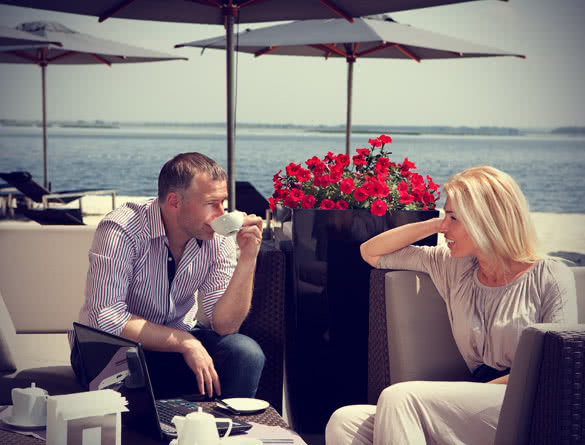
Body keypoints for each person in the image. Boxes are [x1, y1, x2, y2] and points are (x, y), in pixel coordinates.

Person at [325, 166, 577, 445]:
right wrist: (437, 221)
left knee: (400, 398)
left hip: (528, 401)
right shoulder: (452, 266)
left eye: (455, 218)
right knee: (345, 422)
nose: (445, 228)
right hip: (474, 400)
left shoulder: (549, 275)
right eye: (446, 216)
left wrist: (460, 396)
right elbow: (370, 252)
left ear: (487, 220)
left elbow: (558, 364)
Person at [70, 152, 265, 400]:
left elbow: (225, 326)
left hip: (173, 347)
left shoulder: (216, 238)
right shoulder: (122, 229)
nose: (221, 213)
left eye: (223, 203)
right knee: (140, 388)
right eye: (211, 203)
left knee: (245, 353)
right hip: (109, 348)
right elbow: (106, 318)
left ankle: (225, 433)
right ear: (174, 202)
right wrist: (185, 342)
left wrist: (248, 258)